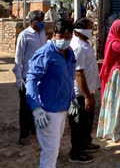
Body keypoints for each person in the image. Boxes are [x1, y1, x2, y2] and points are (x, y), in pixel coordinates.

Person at [26, 19, 77, 167]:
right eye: (60, 36)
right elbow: (31, 80)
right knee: (50, 151)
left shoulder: (69, 52)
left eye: (67, 37)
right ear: (53, 35)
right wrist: (35, 107)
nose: (64, 40)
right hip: (48, 111)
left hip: (62, 108)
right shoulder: (44, 54)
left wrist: (72, 97)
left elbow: (69, 76)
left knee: (54, 148)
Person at [68, 18, 101, 163]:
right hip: (78, 94)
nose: (92, 29)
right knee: (78, 124)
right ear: (82, 30)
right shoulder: (78, 47)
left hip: (87, 91)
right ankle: (76, 153)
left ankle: (85, 143)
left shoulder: (84, 43)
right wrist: (87, 96)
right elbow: (78, 73)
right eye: (90, 27)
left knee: (86, 121)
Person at [12, 10, 47, 145]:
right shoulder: (24, 35)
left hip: (41, 76)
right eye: (40, 21)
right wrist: (19, 78)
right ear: (33, 22)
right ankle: (23, 135)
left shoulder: (42, 33)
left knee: (38, 104)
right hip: (28, 77)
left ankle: (34, 130)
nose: (43, 24)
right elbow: (18, 57)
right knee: (25, 108)